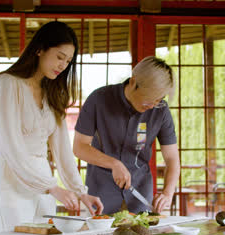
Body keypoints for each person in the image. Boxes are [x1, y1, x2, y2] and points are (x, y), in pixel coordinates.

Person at [0, 21, 103, 232]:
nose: (63, 65)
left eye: (68, 61)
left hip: (44, 179)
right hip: (12, 179)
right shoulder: (7, 83)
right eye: (59, 57)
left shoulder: (52, 94)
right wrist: (51, 188)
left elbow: (63, 151)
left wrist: (80, 192)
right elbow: (11, 147)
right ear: (39, 49)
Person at [73, 56, 180, 214]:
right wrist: (114, 164)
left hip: (140, 193)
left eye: (158, 100)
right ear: (133, 82)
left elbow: (172, 158)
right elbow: (79, 147)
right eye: (147, 100)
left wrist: (167, 193)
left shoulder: (160, 110)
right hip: (100, 193)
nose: (152, 106)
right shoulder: (99, 99)